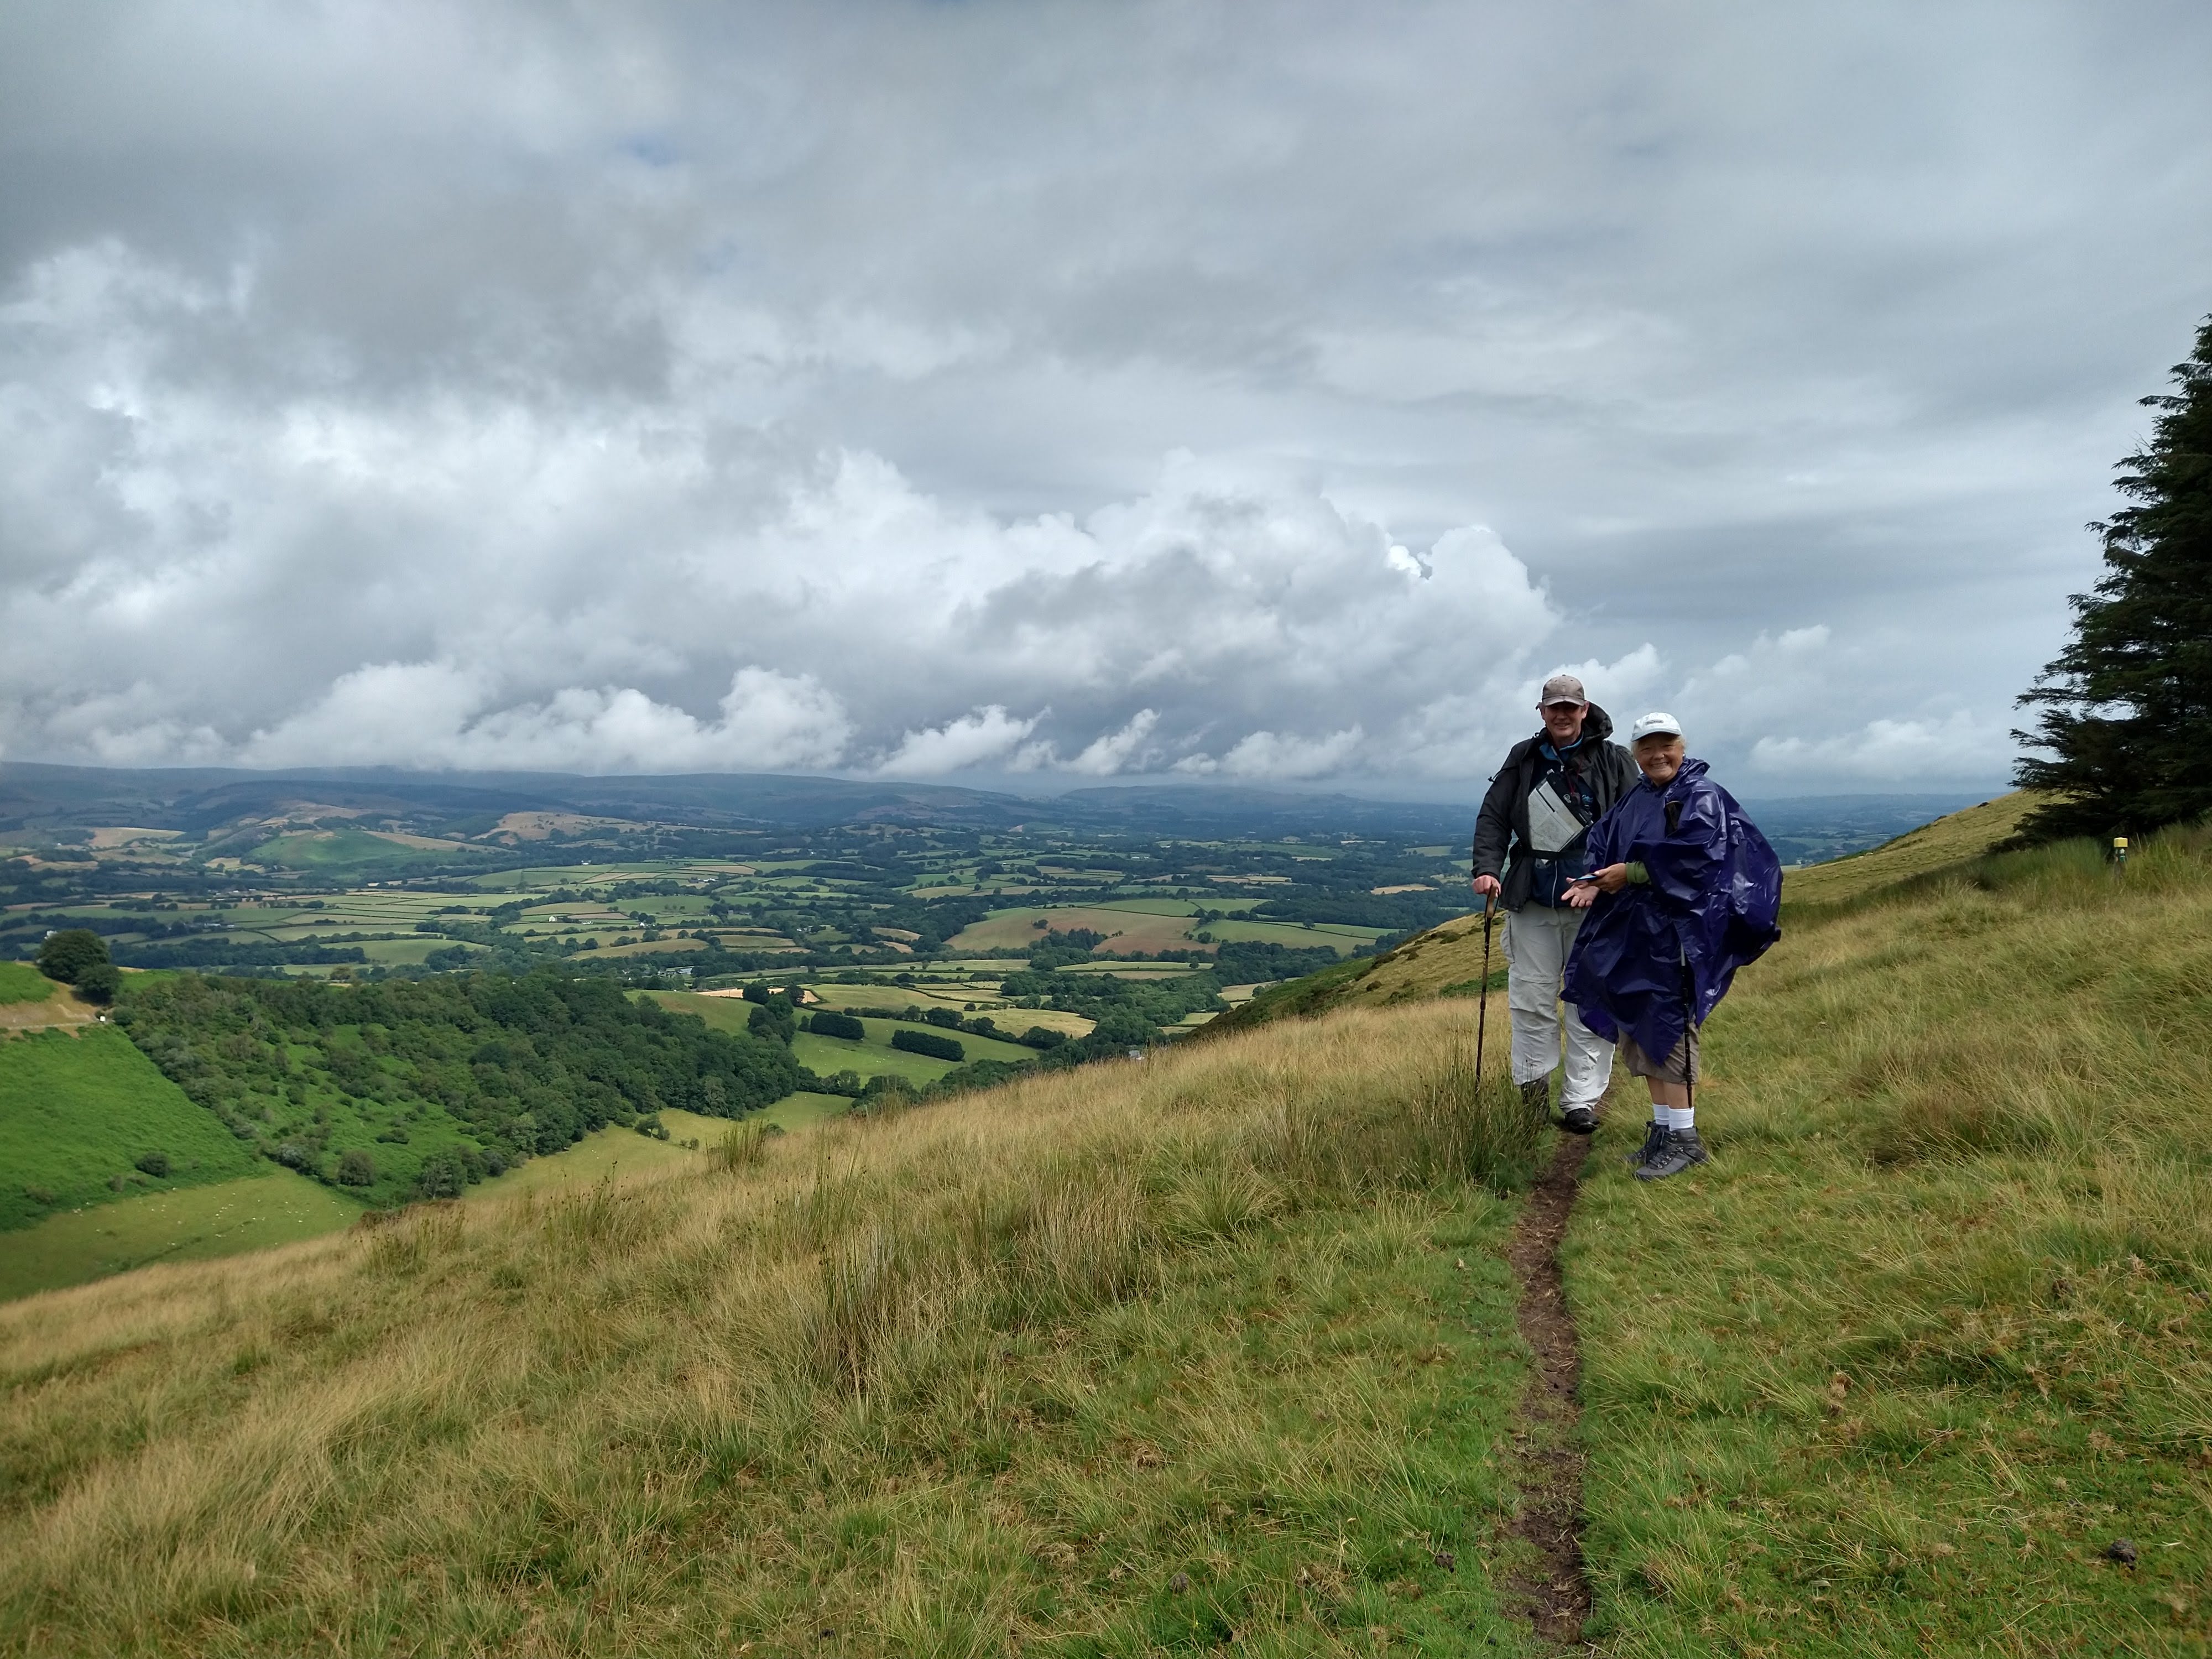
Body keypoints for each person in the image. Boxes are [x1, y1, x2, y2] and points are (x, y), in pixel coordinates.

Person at [1562, 712, 1782, 1180]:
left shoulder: (1699, 796)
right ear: (1635, 753)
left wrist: (1632, 874)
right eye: (1647, 747)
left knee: (1670, 1029)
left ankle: (1686, 1139)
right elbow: (1608, 839)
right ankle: (1664, 1131)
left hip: (1678, 935)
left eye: (1666, 745)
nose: (1657, 754)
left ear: (1682, 746)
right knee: (1644, 1029)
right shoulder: (1643, 796)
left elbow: (1702, 860)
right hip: (1641, 932)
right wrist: (1596, 879)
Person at [1470, 673, 1642, 1133]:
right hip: (1533, 896)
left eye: (1571, 707)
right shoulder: (1524, 758)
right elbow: (1494, 816)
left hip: (1598, 903)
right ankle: (1531, 1090)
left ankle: (1580, 1101)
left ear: (1585, 710)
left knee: (1589, 1000)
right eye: (1554, 707)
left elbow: (1635, 824)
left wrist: (1603, 881)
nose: (1562, 714)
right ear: (1542, 712)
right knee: (1531, 997)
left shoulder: (1614, 760)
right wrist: (1486, 867)